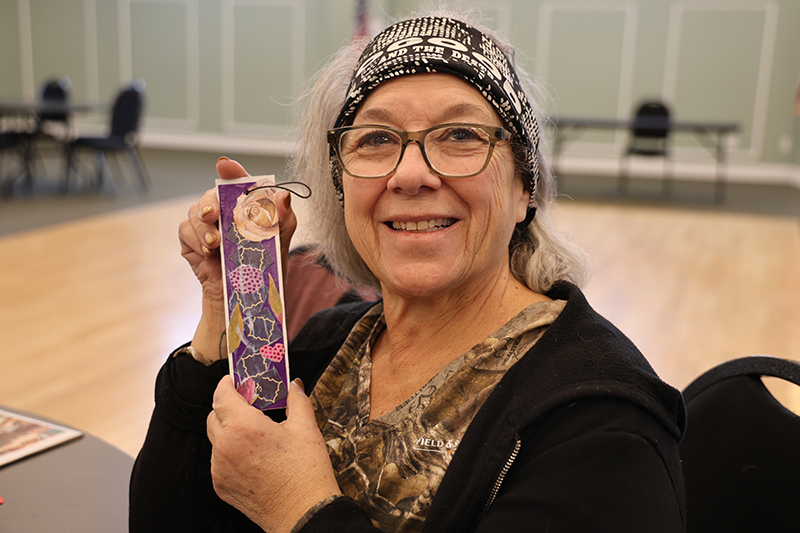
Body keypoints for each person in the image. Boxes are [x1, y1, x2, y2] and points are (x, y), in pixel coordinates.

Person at [130, 8, 686, 533]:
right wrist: (221, 313)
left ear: (525, 187)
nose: (411, 175)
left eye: (460, 135)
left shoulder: (604, 426)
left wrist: (297, 507)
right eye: (376, 139)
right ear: (342, 187)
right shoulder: (324, 345)